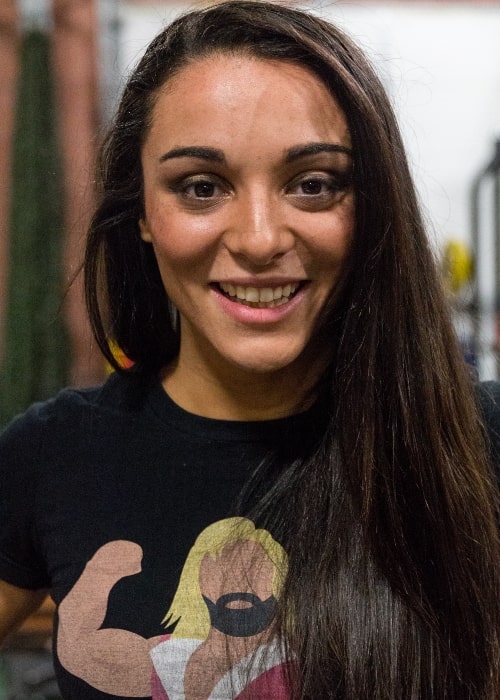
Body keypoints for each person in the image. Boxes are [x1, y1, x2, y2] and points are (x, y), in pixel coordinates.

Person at [0, 1, 498, 698]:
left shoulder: (479, 444)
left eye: (313, 184)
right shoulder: (53, 455)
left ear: (374, 204)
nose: (260, 238)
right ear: (142, 212)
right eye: (201, 187)